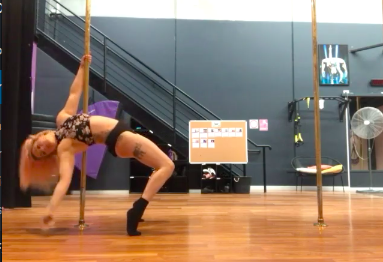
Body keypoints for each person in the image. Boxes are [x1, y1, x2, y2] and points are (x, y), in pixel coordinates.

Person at [19, 54, 175, 236]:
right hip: (118, 138)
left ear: (39, 136)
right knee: (167, 165)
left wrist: (82, 68)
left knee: (160, 166)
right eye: (42, 153)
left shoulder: (62, 118)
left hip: (121, 134)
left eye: (38, 146)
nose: (42, 148)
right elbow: (64, 181)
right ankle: (136, 210)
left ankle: (137, 209)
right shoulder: (64, 149)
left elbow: (75, 92)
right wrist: (50, 210)